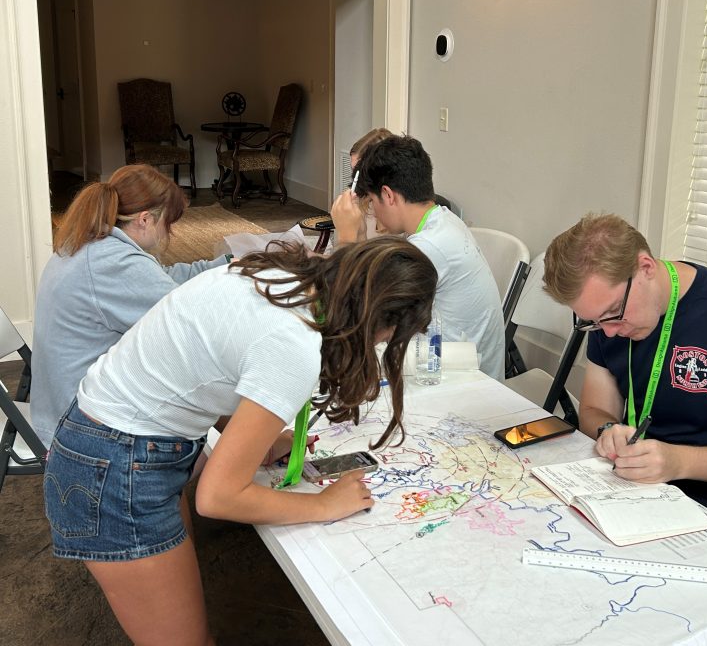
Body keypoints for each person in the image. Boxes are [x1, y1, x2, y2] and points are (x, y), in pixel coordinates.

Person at [43, 237, 436, 646]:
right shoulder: (293, 344)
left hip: (106, 438)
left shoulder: (277, 278)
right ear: (380, 322)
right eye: (388, 337)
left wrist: (248, 435)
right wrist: (323, 504)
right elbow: (217, 498)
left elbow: (207, 359)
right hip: (117, 469)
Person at [543, 212, 707, 539]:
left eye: (612, 314)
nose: (609, 331)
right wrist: (609, 431)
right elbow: (593, 411)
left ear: (645, 267)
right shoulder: (608, 319)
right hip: (636, 485)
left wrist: (678, 463)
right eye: (594, 322)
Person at [32, 164, 229, 448]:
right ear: (146, 220)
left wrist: (228, 266)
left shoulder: (91, 243)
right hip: (81, 423)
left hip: (61, 403)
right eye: (167, 224)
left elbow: (162, 278)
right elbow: (189, 319)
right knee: (193, 379)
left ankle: (243, 450)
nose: (167, 234)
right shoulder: (115, 262)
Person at [333, 135, 504, 380]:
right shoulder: (443, 220)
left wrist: (347, 238)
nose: (373, 212)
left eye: (371, 202)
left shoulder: (428, 246)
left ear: (388, 195)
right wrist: (359, 239)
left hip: (462, 381)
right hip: (452, 363)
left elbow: (353, 314)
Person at [331, 127, 394, 242]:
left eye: (359, 173)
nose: (357, 181)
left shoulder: (400, 213)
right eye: (353, 172)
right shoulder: (361, 202)